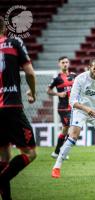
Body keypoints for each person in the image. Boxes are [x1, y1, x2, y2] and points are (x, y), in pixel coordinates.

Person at [0, 17, 37, 199]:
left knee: (4, 154)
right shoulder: (14, 42)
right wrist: (33, 92)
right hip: (11, 106)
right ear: (5, 27)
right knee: (30, 153)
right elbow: (29, 72)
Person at [47, 56, 76, 159]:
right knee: (71, 129)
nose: (65, 64)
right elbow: (48, 91)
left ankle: (56, 152)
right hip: (63, 108)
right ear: (59, 64)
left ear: (69, 63)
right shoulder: (57, 78)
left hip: (73, 107)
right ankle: (62, 152)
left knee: (65, 130)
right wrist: (58, 94)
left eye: (66, 62)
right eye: (63, 62)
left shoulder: (73, 76)